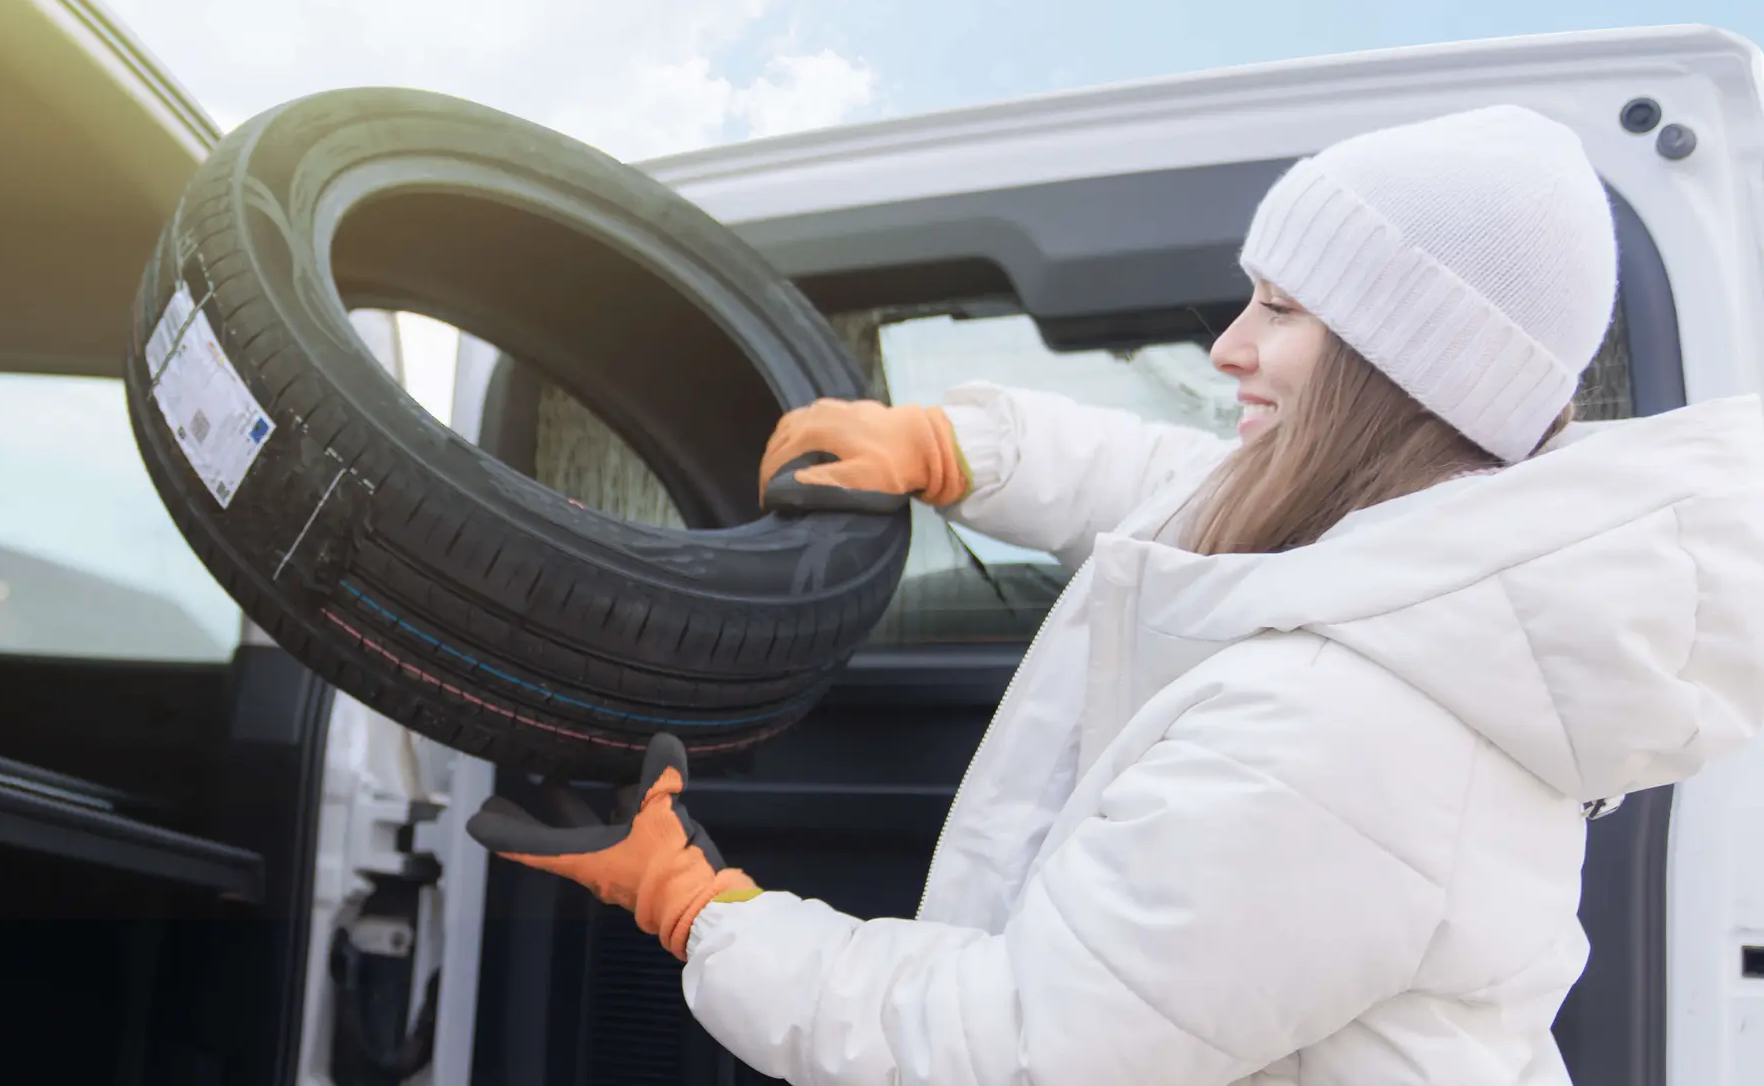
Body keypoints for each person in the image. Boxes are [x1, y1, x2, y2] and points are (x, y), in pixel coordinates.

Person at [466, 105, 1764, 1084]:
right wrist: (962, 449)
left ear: (1390, 371)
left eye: (1283, 309)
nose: (1227, 347)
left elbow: (1015, 1051)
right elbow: (1166, 483)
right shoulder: (1411, 561)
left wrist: (706, 916)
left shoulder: (1342, 735)